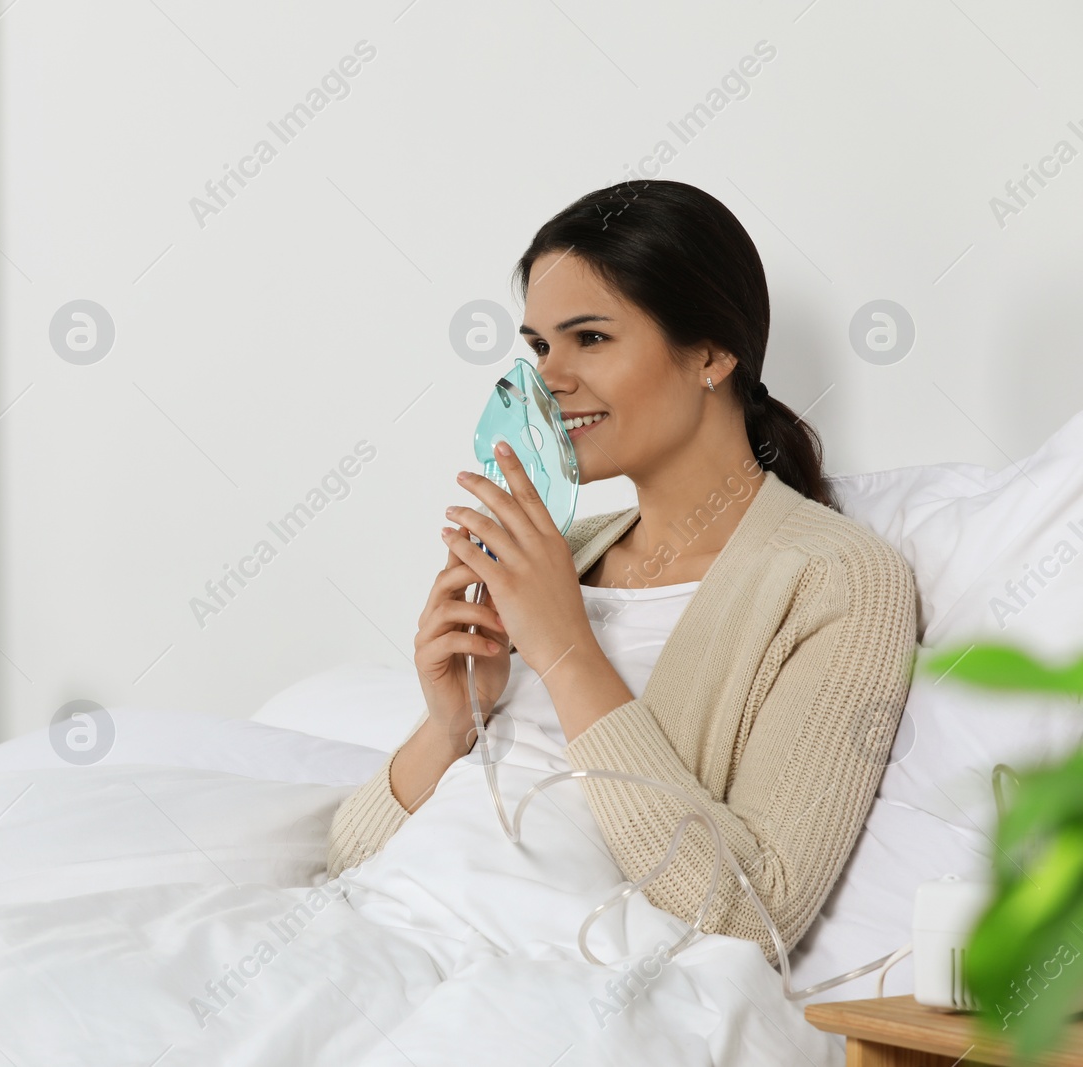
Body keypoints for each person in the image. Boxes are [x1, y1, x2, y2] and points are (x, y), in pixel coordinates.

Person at [324, 180, 920, 962]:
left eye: (591, 339)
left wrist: (569, 651)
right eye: (539, 346)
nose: (549, 379)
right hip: (376, 937)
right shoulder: (562, 552)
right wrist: (452, 723)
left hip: (558, 981)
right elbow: (347, 862)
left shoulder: (836, 579)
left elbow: (753, 916)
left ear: (710, 352)